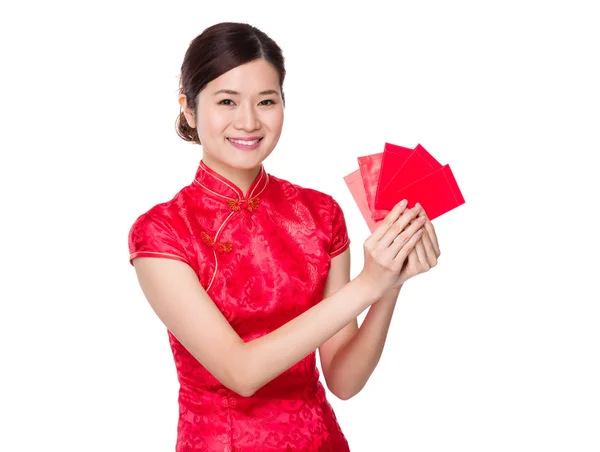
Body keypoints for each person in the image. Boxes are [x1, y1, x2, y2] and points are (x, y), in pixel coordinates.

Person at [128, 22, 441, 452]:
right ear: (188, 109)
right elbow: (242, 372)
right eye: (226, 101)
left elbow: (344, 381)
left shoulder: (320, 213)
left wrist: (390, 283)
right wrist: (367, 284)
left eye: (266, 101)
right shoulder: (162, 232)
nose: (249, 121)